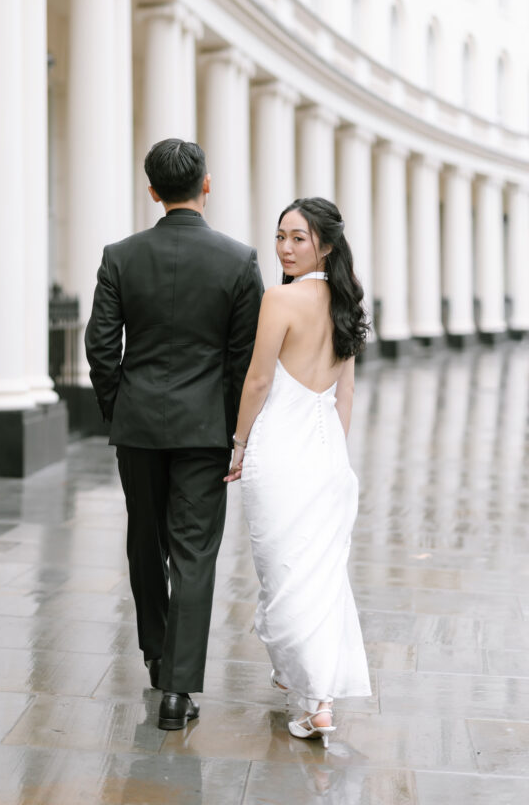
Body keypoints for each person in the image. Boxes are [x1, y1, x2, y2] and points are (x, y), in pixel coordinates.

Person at [85, 138, 263, 731]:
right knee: (194, 551)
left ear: (154, 190)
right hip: (206, 428)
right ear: (206, 185)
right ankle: (176, 692)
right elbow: (242, 360)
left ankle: (158, 652)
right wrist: (236, 431)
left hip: (138, 424)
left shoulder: (120, 256)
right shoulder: (239, 261)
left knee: (145, 541)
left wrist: (119, 408)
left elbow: (100, 347)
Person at [225, 196, 371, 747]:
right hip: (327, 455)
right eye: (281, 236)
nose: (285, 247)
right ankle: (299, 679)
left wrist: (238, 445)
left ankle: (318, 704)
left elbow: (258, 382)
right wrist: (334, 451)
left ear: (325, 245)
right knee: (319, 574)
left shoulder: (280, 300)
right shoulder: (346, 303)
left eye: (299, 238)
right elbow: (345, 393)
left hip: (280, 453)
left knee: (286, 574)